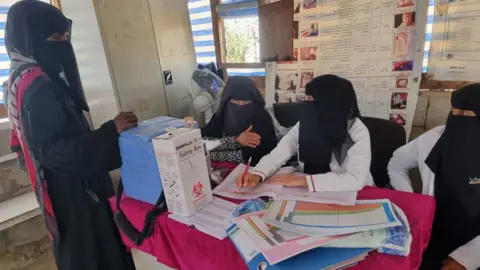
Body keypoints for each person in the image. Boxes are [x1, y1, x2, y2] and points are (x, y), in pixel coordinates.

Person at [4, 1, 137, 269]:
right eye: (55, 37)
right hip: (74, 196)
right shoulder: (37, 87)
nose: (64, 43)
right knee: (95, 254)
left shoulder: (19, 79)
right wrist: (112, 130)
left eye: (66, 36)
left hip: (66, 187)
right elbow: (55, 151)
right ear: (31, 40)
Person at [388, 84, 480, 270]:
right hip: (433, 231)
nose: (457, 118)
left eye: (466, 114)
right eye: (454, 111)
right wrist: (411, 199)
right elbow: (397, 163)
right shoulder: (435, 137)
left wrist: (467, 258)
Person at [237, 74, 374, 191]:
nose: (306, 104)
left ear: (329, 104)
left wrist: (306, 181)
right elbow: (280, 152)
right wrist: (258, 173)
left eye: (311, 100)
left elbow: (356, 179)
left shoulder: (356, 130)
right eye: (306, 98)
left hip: (351, 193)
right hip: (311, 192)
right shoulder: (306, 123)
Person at [201, 76, 277, 166]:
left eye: (246, 102)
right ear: (226, 100)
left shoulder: (261, 119)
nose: (240, 106)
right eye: (235, 101)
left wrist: (210, 153)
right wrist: (236, 141)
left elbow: (250, 157)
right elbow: (201, 144)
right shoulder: (220, 116)